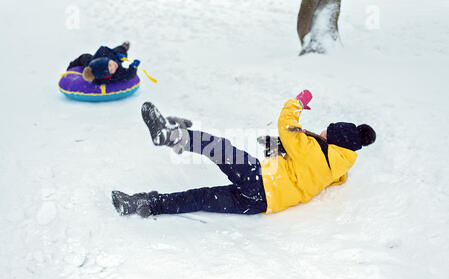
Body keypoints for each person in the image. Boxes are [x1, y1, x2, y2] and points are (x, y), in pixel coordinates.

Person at [111, 90, 376, 216]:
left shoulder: (312, 149)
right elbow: (318, 175)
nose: (320, 132)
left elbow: (287, 125)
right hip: (261, 204)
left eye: (326, 133)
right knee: (203, 197)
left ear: (334, 141)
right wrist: (282, 154)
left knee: (218, 147)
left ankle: (169, 135)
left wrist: (298, 102)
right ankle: (144, 204)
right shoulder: (338, 169)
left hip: (258, 179)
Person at [67, 42, 141, 84]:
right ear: (108, 74)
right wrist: (133, 67)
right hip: (108, 59)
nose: (114, 66)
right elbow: (128, 75)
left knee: (118, 51)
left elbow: (82, 58)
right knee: (121, 54)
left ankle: (123, 47)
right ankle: (123, 49)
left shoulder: (89, 62)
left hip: (106, 56)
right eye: (111, 70)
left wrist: (70, 67)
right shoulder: (116, 74)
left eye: (110, 65)